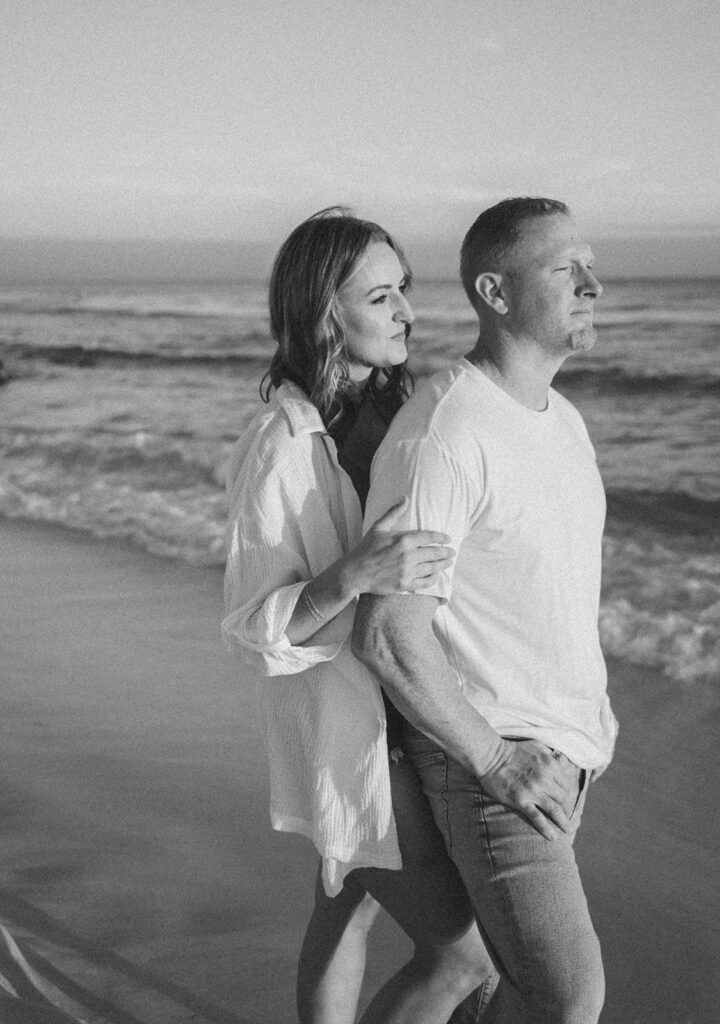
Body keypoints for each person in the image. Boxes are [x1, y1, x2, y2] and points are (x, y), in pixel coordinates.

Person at [222, 208, 496, 1024]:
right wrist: (350, 576)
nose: (408, 310)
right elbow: (251, 627)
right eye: (381, 297)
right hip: (359, 733)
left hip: (418, 708)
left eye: (404, 289)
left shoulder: (401, 412)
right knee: (461, 957)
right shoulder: (284, 443)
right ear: (324, 312)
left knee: (347, 901)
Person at [352, 197, 619, 1024]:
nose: (593, 286)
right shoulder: (444, 433)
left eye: (589, 265)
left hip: (559, 758)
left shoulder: (562, 420)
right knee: (568, 997)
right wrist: (496, 762)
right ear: (496, 293)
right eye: (563, 270)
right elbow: (389, 635)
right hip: (492, 761)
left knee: (489, 984)